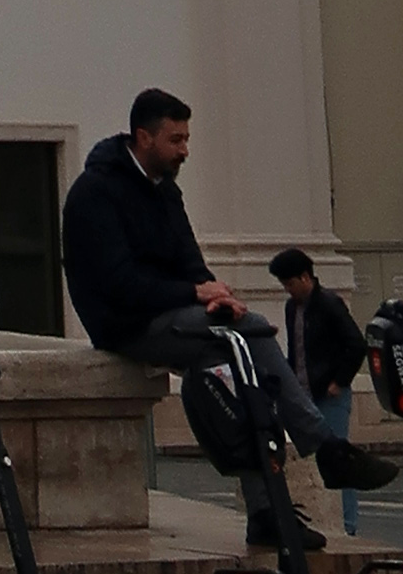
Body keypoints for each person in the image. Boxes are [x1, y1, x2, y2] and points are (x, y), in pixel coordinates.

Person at [63, 93, 399, 492]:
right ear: (144, 137)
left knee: (238, 377)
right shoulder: (95, 192)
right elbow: (118, 284)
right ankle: (326, 449)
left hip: (170, 315)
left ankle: (266, 508)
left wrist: (219, 296)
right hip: (124, 325)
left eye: (187, 139)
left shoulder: (166, 191)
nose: (184, 151)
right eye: (175, 140)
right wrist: (196, 292)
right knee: (249, 331)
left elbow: (191, 262)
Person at [270, 244, 370, 451]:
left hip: (329, 390)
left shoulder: (329, 304)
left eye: (290, 283)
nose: (288, 289)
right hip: (306, 390)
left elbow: (356, 344)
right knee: (320, 451)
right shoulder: (292, 307)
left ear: (305, 277)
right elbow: (296, 348)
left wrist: (339, 381)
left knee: (335, 450)